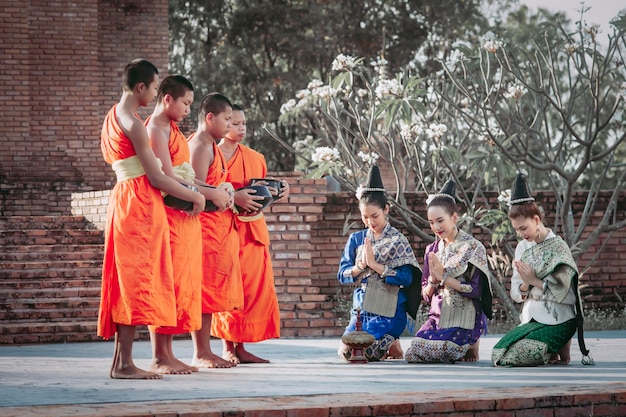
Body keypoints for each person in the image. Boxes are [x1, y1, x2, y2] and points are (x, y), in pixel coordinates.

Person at [97, 59, 205, 380]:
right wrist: (196, 196)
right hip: (139, 203)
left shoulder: (112, 117)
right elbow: (157, 178)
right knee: (137, 279)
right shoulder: (132, 123)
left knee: (127, 279)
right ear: (141, 87)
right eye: (156, 87)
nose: (157, 93)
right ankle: (124, 363)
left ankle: (123, 361)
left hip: (125, 199)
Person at [145, 75, 233, 374]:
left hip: (184, 221)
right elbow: (166, 179)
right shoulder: (155, 129)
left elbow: (184, 176)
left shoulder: (172, 131)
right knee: (166, 284)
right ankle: (159, 355)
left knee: (181, 286)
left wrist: (213, 191)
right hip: (168, 217)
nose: (187, 110)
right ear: (167, 98)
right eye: (185, 103)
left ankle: (168, 353)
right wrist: (201, 195)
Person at [491, 173, 594, 367]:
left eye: (523, 228)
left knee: (517, 356)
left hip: (559, 318)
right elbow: (515, 292)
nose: (521, 234)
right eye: (516, 230)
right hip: (531, 318)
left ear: (536, 219)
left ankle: (559, 345)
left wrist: (535, 281)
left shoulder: (558, 247)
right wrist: (525, 284)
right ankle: (550, 351)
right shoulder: (523, 247)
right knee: (498, 354)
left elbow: (570, 296)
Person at [212, 104, 288, 363]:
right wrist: (236, 199)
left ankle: (241, 347)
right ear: (223, 123)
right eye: (235, 123)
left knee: (251, 291)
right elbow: (208, 192)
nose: (241, 128)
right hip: (225, 227)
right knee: (228, 289)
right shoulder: (212, 154)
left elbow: (261, 193)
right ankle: (226, 347)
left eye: (244, 123)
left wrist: (278, 191)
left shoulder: (256, 157)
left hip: (253, 229)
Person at [337, 165, 421, 362]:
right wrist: (359, 267)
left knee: (367, 353)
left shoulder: (398, 240)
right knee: (347, 352)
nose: (370, 222)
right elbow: (342, 274)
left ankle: (392, 339)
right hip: (363, 308)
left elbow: (407, 279)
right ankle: (392, 344)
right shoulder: (356, 239)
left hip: (389, 308)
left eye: (375, 216)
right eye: (365, 217)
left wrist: (376, 266)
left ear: (386, 209)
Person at [405, 180, 492, 363]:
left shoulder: (472, 247)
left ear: (454, 217)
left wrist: (444, 278)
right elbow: (426, 296)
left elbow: (476, 290)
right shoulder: (432, 250)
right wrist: (433, 282)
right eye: (431, 223)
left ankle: (472, 343)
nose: (436, 228)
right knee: (414, 353)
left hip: (464, 315)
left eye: (440, 221)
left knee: (444, 351)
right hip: (438, 315)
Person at [187, 92, 243, 368]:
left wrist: (228, 191)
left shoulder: (211, 146)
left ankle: (205, 350)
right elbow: (193, 187)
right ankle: (200, 351)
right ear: (210, 117)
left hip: (216, 228)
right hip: (203, 228)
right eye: (227, 119)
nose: (230, 125)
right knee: (202, 291)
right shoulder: (199, 145)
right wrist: (219, 192)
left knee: (210, 293)